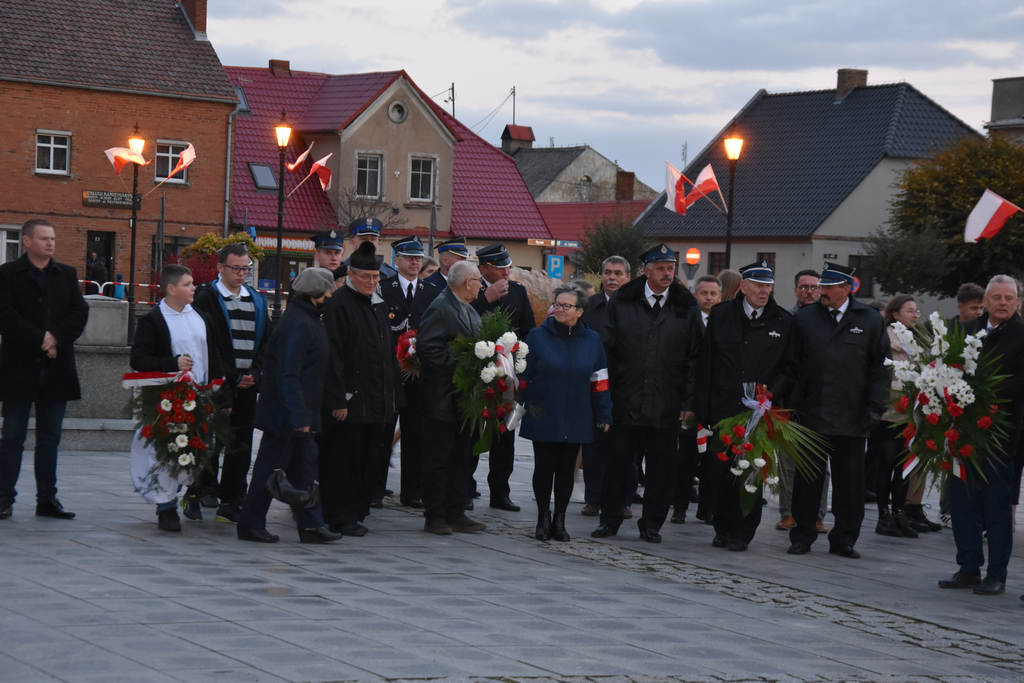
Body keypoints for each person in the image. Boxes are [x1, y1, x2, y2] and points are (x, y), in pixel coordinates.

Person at [592, 243, 698, 543]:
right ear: (646, 270)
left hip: (667, 402)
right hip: (626, 399)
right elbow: (607, 351)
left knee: (662, 469)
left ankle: (652, 524)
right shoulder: (623, 302)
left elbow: (694, 358)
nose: (668, 273)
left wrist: (688, 401)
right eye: (662, 268)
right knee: (618, 465)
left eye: (671, 268)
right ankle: (609, 519)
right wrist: (607, 396)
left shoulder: (684, 306)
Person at [784, 262, 890, 559]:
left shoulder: (868, 320)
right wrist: (792, 405)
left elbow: (881, 368)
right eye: (822, 287)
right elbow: (792, 364)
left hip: (852, 416)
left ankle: (845, 538)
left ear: (847, 288)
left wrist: (874, 407)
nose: (823, 292)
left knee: (850, 484)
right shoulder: (805, 319)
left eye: (829, 287)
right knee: (807, 481)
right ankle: (802, 534)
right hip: (812, 414)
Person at [237, 267, 340, 544]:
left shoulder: (308, 318)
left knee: (305, 469)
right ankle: (250, 522)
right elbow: (287, 373)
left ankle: (311, 525)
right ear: (315, 293)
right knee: (269, 470)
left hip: (298, 413)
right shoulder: (298, 323)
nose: (331, 295)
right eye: (328, 290)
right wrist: (298, 416)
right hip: (287, 416)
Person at [697, 261, 793, 551]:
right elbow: (707, 361)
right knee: (720, 471)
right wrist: (703, 408)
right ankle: (722, 526)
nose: (764, 291)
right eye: (759, 285)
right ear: (744, 286)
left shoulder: (782, 321)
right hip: (723, 406)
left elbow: (790, 367)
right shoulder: (723, 314)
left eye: (769, 286)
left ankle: (743, 531)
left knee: (751, 470)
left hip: (759, 411)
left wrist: (771, 393)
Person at [940, 275, 1024, 596]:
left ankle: (997, 573)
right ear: (985, 301)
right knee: (962, 504)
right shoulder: (967, 331)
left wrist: (980, 394)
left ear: (1017, 302)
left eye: (1009, 297)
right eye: (997, 297)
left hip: (1000, 436)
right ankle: (968, 567)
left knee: (996, 508)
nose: (1003, 303)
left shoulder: (1021, 335)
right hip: (961, 433)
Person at [0, 219, 89, 521]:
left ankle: (47, 499)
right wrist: (41, 338)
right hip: (19, 368)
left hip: (56, 368)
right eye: (43, 238)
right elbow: (6, 315)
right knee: (12, 436)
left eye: (52, 238)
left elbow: (79, 312)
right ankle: (3, 498)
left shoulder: (66, 274)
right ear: (26, 241)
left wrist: (56, 338)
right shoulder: (8, 275)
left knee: (50, 438)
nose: (50, 243)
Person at [130, 264, 229, 531]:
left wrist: (220, 391)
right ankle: (166, 506)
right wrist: (172, 363)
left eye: (193, 283)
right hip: (166, 396)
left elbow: (215, 353)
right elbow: (138, 359)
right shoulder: (153, 320)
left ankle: (188, 494)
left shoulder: (200, 316)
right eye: (187, 284)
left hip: (199, 396)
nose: (193, 288)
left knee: (194, 450)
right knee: (167, 450)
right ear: (171, 289)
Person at [520, 284, 611, 542]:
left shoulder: (592, 340)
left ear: (580, 311)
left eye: (566, 306)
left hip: (578, 412)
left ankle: (559, 519)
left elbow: (600, 379)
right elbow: (524, 373)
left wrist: (604, 412)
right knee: (544, 467)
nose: (559, 309)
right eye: (557, 304)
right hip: (544, 410)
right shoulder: (538, 336)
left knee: (566, 469)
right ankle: (542, 517)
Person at [320, 242, 399, 536]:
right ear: (351, 275)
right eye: (366, 277)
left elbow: (386, 355)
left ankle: (357, 510)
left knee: (369, 458)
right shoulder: (338, 304)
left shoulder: (379, 305)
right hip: (350, 401)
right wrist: (338, 398)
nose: (371, 282)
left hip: (377, 400)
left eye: (375, 277)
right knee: (344, 460)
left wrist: (394, 396)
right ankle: (339, 515)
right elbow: (334, 356)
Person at [186, 243, 269, 523]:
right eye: (236, 268)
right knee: (210, 440)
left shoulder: (257, 299)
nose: (242, 273)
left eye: (246, 268)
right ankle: (198, 491)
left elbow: (265, 342)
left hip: (248, 384)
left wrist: (255, 374)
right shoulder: (207, 298)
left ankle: (232, 499)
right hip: (218, 384)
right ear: (220, 268)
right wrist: (232, 376)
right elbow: (208, 344)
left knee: (241, 443)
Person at [417, 260, 488, 534]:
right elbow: (428, 346)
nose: (481, 285)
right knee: (439, 457)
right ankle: (435, 514)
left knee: (461, 457)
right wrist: (462, 365)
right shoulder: (441, 306)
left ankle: (456, 510)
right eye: (478, 280)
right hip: (441, 397)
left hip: (463, 400)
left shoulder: (468, 309)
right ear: (467, 282)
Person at [470, 242, 537, 512]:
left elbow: (529, 329)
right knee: (474, 433)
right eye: (500, 267)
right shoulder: (472, 288)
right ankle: (465, 487)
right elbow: (466, 319)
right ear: (484, 268)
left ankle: (500, 492)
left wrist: (524, 362)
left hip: (510, 374)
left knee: (505, 436)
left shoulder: (518, 291)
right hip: (478, 373)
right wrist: (485, 299)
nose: (507, 271)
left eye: (508, 265)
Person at [380, 236, 440, 509]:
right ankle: (375, 487)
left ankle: (412, 490)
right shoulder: (384, 288)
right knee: (382, 432)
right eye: (409, 257)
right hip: (390, 372)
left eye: (418, 258)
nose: (414, 262)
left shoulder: (430, 292)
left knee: (416, 433)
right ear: (397, 260)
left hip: (418, 374)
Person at [778, 269, 830, 534]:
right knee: (787, 461)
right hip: (790, 398)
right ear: (796, 290)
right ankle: (788, 513)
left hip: (820, 400)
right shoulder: (786, 318)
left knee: (819, 463)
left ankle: (817, 514)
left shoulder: (828, 320)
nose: (808, 292)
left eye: (813, 287)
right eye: (803, 287)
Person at [579, 255, 630, 517]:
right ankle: (593, 498)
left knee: (624, 446)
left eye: (618, 273)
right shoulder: (590, 306)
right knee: (594, 445)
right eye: (608, 272)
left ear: (627, 277)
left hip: (627, 385)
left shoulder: (636, 305)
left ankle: (622, 501)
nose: (612, 278)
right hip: (596, 385)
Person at [871, 295, 920, 538]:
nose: (915, 314)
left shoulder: (917, 338)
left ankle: (899, 512)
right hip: (888, 410)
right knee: (886, 464)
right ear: (896, 313)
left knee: (904, 466)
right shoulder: (884, 335)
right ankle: (883, 515)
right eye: (910, 310)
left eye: (916, 310)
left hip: (909, 411)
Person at [678, 274, 721, 525]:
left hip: (715, 401)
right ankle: (680, 506)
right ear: (696, 295)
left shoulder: (725, 321)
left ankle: (708, 508)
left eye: (713, 294)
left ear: (720, 296)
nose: (708, 298)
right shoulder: (688, 321)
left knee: (712, 459)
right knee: (685, 458)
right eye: (704, 293)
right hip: (690, 400)